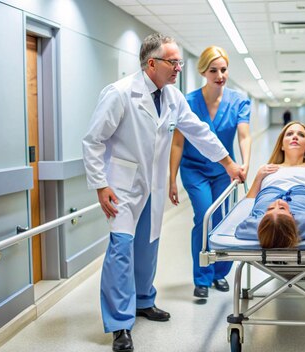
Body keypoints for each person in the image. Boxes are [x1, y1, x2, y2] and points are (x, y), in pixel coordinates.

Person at [82, 33, 244, 352]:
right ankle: (119, 324)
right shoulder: (120, 93)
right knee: (121, 251)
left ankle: (144, 301)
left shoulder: (172, 97)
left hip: (152, 186)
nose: (179, 69)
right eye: (173, 62)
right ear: (152, 63)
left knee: (148, 247)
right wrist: (100, 184)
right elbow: (93, 141)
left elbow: (199, 132)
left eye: (180, 62)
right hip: (122, 188)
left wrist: (228, 163)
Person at [168, 46, 251, 299]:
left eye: (223, 69)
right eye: (213, 70)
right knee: (204, 217)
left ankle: (220, 273)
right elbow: (177, 142)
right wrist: (171, 178)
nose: (220, 75)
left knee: (224, 220)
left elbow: (244, 135)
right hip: (194, 169)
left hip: (224, 170)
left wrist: (245, 163)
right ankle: (202, 276)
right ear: (203, 71)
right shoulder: (188, 101)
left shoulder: (238, 101)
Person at [235, 121, 305, 248]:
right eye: (289, 134)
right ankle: (281, 230)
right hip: (267, 204)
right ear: (282, 145)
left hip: (303, 206)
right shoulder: (266, 169)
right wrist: (258, 177)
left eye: (301, 135)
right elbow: (249, 202)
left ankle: (280, 231)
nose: (295, 136)